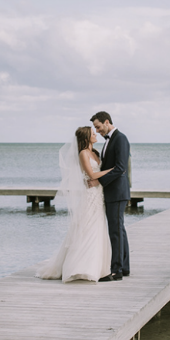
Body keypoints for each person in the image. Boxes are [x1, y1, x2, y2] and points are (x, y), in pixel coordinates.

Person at [35, 126, 113, 283]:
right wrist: (112, 170)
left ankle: (96, 268)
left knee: (98, 230)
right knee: (86, 229)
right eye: (93, 133)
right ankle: (79, 268)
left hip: (99, 195)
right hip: (90, 196)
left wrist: (104, 174)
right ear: (86, 137)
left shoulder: (95, 153)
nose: (96, 134)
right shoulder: (83, 153)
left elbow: (96, 174)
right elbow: (91, 175)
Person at [88, 111, 130, 282]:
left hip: (118, 192)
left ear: (107, 122)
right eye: (95, 129)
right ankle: (124, 267)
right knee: (119, 229)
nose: (97, 131)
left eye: (98, 127)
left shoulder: (120, 138)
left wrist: (100, 182)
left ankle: (116, 270)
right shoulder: (109, 141)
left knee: (115, 230)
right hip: (112, 191)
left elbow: (120, 168)